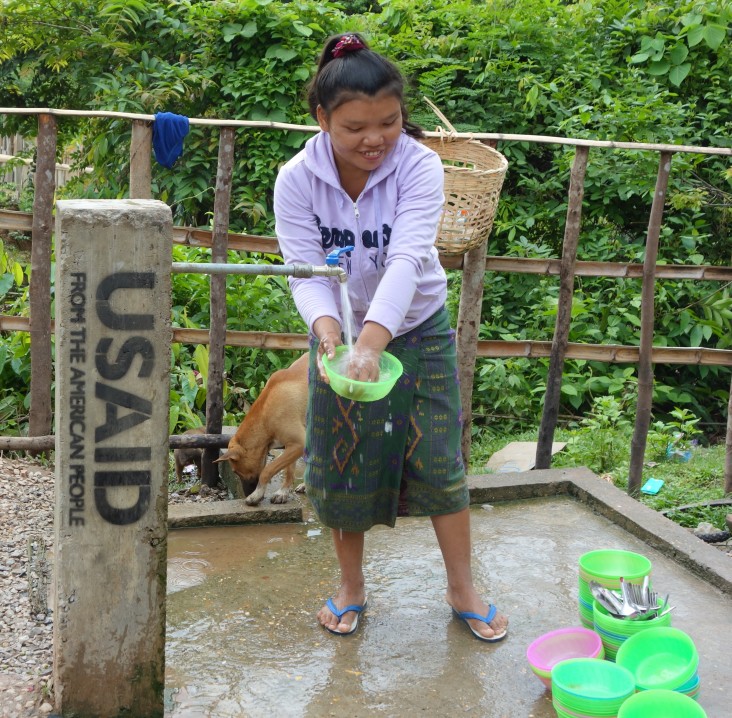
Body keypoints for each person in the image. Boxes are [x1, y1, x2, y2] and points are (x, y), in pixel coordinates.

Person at [273, 32, 508, 643]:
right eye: (355, 127)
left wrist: (372, 345)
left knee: (438, 459)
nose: (375, 139)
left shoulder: (421, 165)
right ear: (322, 118)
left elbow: (407, 259)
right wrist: (330, 339)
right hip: (339, 337)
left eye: (389, 122)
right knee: (341, 461)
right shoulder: (297, 180)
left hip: (417, 329)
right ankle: (351, 588)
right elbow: (305, 270)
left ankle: (463, 589)